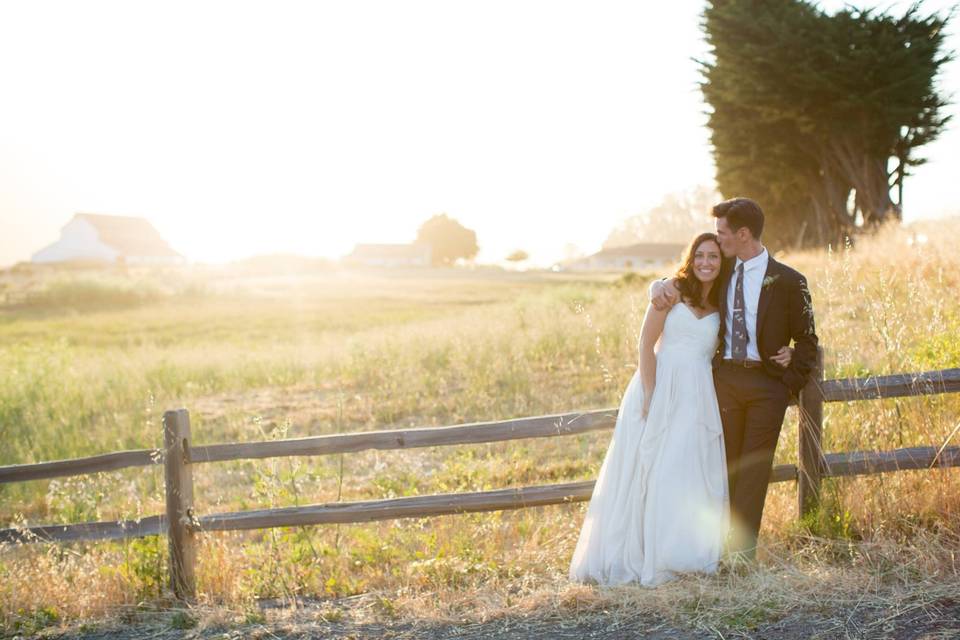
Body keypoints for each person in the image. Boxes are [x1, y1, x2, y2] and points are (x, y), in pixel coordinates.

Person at [568, 232, 794, 586]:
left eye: (714, 258)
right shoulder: (670, 293)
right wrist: (649, 392)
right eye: (700, 255)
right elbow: (645, 343)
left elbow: (754, 332)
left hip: (699, 393)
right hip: (660, 385)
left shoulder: (724, 300)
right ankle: (648, 554)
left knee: (687, 469)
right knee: (652, 469)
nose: (706, 262)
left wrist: (790, 351)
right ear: (691, 258)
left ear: (723, 264)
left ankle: (683, 551)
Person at [649, 197, 818, 561]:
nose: (717, 239)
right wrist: (656, 285)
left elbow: (808, 341)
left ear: (742, 234)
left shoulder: (790, 281)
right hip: (722, 383)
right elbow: (687, 279)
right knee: (719, 467)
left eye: (722, 232)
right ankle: (711, 548)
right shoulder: (723, 269)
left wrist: (789, 378)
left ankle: (741, 556)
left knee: (754, 471)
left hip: (767, 387)